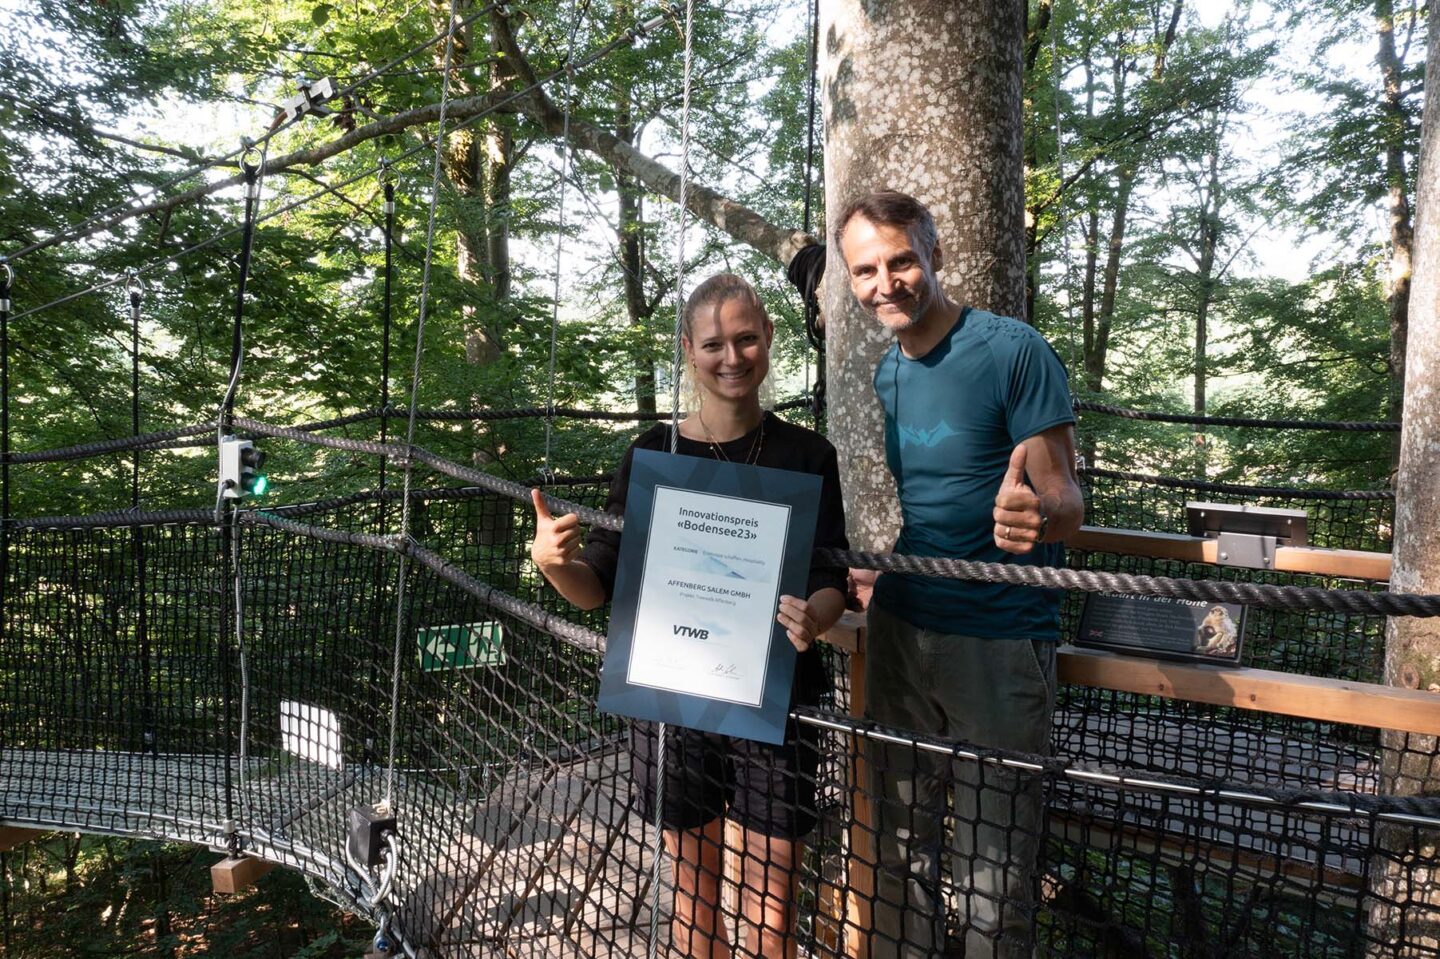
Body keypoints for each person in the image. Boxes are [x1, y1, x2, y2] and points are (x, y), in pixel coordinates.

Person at [528, 273, 849, 959]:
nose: (731, 357)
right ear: (687, 350)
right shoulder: (651, 453)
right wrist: (555, 565)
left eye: (745, 339)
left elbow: (832, 579)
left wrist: (813, 617)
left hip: (775, 701)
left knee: (772, 904)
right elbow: (600, 582)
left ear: (768, 339)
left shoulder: (808, 455)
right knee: (693, 896)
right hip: (669, 699)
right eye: (713, 344)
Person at [833, 190, 1085, 959]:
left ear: (935, 254)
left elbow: (1067, 498)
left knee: (994, 884)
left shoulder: (1014, 351)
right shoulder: (888, 374)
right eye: (866, 269)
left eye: (901, 260)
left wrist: (1035, 518)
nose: (887, 282)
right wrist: (884, 578)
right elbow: (928, 503)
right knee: (897, 860)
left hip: (1000, 640)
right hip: (903, 633)